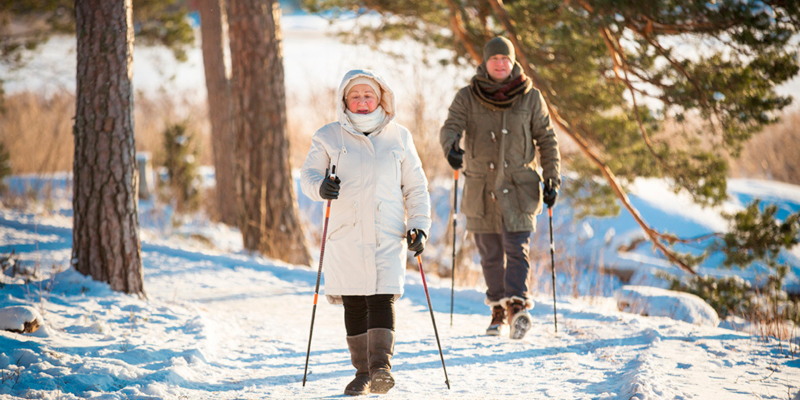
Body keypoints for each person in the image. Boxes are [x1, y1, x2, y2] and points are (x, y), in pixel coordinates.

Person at [300, 69, 432, 395]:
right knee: (355, 301)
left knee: (382, 296)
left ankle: (381, 368)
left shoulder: (399, 137)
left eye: (367, 95)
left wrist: (419, 226)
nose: (362, 101)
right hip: (346, 233)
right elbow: (308, 177)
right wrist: (322, 187)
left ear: (380, 98)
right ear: (344, 101)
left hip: (387, 232)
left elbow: (416, 187)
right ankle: (363, 373)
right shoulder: (329, 136)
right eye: (355, 96)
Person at [439, 37, 561, 340]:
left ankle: (517, 307)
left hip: (520, 188)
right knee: (490, 253)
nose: (500, 64)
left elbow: (547, 139)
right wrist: (451, 147)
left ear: (513, 62)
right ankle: (497, 310)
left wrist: (552, 177)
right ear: (485, 62)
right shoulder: (468, 96)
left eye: (505, 59)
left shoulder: (531, 98)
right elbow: (451, 126)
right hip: (481, 188)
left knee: (516, 248)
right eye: (494, 59)